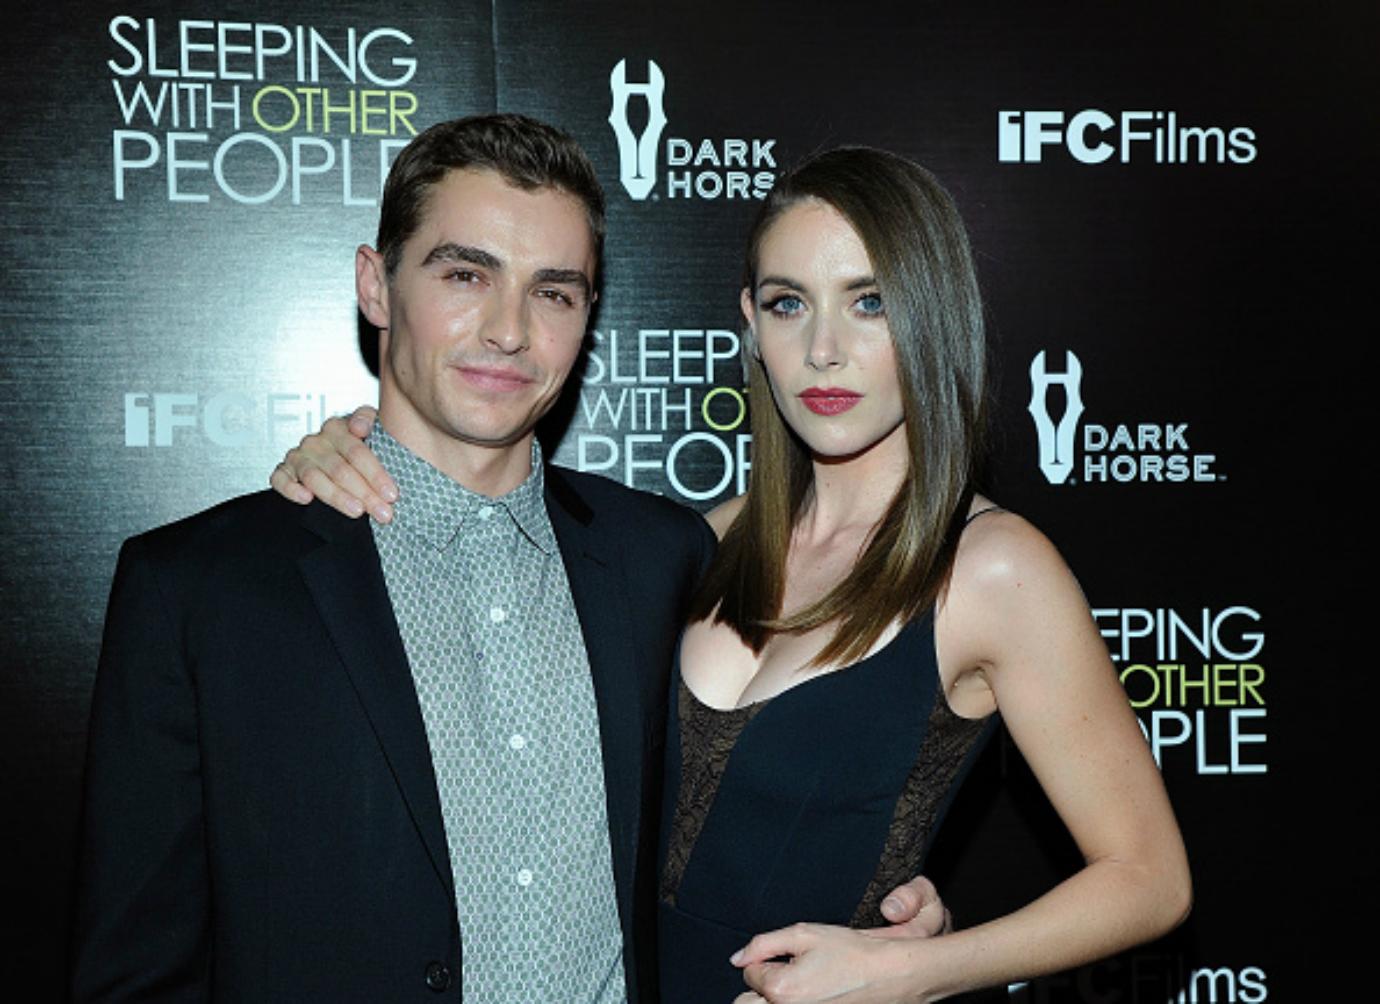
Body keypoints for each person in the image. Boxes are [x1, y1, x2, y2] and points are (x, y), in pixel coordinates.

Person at [276, 145, 1191, 1003]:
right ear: (751, 323)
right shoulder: (688, 544)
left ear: (933, 314)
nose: (824, 349)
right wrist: (342, 455)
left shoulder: (992, 569)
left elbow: (1149, 879)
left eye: (870, 302)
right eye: (791, 303)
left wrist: (916, 972)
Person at [74, 115, 942, 1004]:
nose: (508, 331)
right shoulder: (202, 589)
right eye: (464, 274)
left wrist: (895, 925)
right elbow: (137, 969)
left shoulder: (667, 557)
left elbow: (755, 809)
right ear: (376, 286)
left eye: (554, 292)